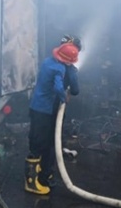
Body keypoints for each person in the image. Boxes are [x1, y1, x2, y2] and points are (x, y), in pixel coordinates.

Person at [25, 40, 80, 195]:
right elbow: (60, 87)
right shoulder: (59, 69)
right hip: (45, 111)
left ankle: (44, 174)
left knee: (46, 143)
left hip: (38, 108)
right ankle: (31, 183)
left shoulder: (47, 62)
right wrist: (64, 97)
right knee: (39, 145)